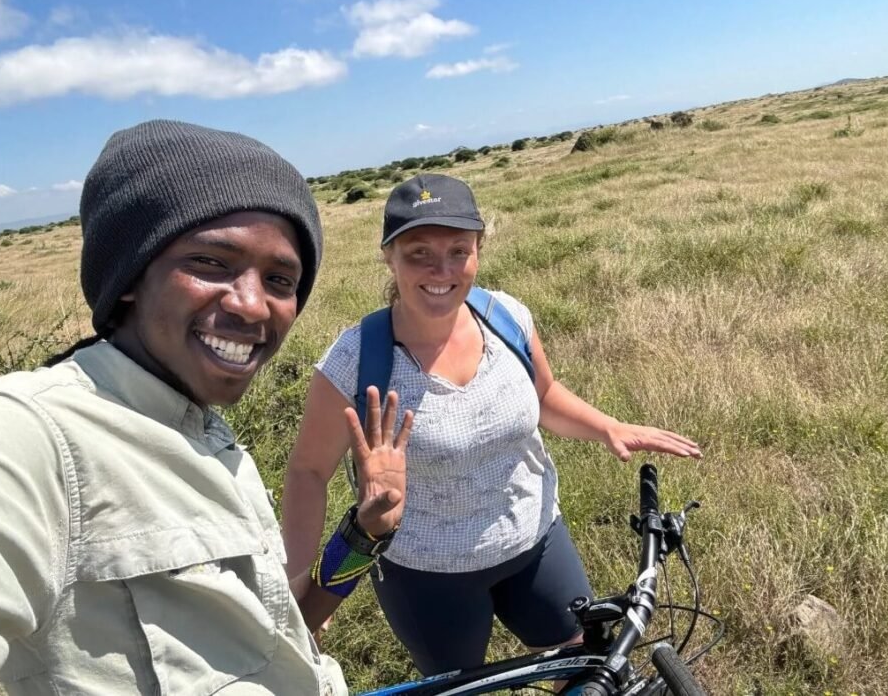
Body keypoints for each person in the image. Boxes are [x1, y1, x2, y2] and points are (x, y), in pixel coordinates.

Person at [0, 119, 411, 696]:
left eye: (280, 279)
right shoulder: (23, 435)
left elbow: (280, 642)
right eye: (211, 262)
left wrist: (363, 536)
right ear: (131, 273)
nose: (252, 305)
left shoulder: (208, 437)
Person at [282, 173, 703, 677]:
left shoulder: (507, 318)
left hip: (536, 541)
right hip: (426, 573)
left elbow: (545, 395)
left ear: (478, 249)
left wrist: (607, 426)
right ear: (388, 256)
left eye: (459, 250)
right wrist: (296, 584)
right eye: (419, 252)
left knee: (584, 665)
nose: (442, 270)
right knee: (460, 685)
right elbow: (308, 472)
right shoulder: (354, 361)